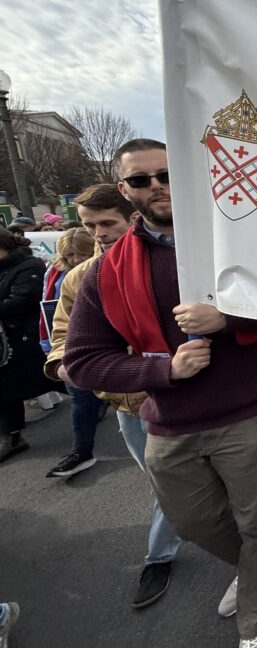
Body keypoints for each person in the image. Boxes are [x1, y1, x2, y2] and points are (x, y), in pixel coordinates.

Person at [63, 140, 257, 647]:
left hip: (249, 410)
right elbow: (81, 362)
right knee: (192, 522)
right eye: (141, 180)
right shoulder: (106, 272)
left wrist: (228, 318)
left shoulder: (238, 243)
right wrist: (163, 369)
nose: (157, 186)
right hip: (170, 418)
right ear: (125, 190)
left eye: (167, 174)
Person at [44, 182, 184, 609]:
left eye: (108, 223)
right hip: (128, 406)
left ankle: (160, 556)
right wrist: (67, 366)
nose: (99, 232)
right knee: (164, 485)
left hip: (181, 399)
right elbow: (62, 340)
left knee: (177, 486)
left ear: (132, 218)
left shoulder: (172, 262)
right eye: (90, 225)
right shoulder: (80, 278)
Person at [41, 228, 103, 478]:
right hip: (70, 347)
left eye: (82, 253)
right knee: (80, 400)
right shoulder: (54, 273)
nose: (77, 259)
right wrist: (53, 350)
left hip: (101, 347)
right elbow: (54, 314)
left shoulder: (99, 268)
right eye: (70, 255)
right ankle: (82, 452)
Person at [0, 229, 64, 463]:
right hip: (4, 343)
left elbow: (22, 300)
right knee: (6, 391)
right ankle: (13, 436)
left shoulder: (28, 266)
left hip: (27, 337)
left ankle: (94, 399)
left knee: (61, 377)